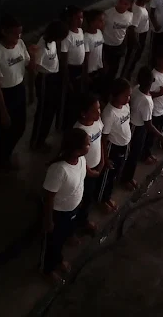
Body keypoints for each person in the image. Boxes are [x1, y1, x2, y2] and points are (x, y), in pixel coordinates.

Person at [41, 128, 90, 282]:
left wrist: (78, 201)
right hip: (58, 213)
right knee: (52, 242)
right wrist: (49, 220)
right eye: (87, 144)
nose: (90, 146)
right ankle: (47, 269)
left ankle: (58, 259)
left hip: (72, 210)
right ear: (76, 149)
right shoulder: (59, 170)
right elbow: (49, 197)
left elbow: (79, 182)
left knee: (61, 239)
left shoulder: (81, 160)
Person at [0, 15, 33, 171]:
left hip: (18, 89)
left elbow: (28, 65)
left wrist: (34, 56)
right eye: (14, 33)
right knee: (3, 131)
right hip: (3, 94)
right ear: (4, 32)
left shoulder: (20, 43)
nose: (18, 37)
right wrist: (3, 111)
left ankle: (6, 154)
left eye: (20, 33)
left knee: (19, 127)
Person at [122, 67, 163, 190]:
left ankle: (127, 176)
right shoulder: (147, 101)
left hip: (133, 124)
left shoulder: (137, 89)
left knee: (133, 153)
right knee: (133, 154)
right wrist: (161, 136)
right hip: (137, 128)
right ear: (152, 81)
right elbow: (149, 125)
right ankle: (127, 178)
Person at [30, 20, 69, 151]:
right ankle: (36, 142)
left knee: (50, 112)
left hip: (53, 78)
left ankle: (42, 139)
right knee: (43, 113)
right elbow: (35, 67)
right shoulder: (41, 45)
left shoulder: (52, 42)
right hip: (45, 80)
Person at [98, 78, 132, 213]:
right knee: (107, 175)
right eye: (125, 95)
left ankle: (108, 196)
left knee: (115, 173)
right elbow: (104, 137)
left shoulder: (126, 106)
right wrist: (105, 158)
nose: (128, 98)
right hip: (113, 148)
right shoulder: (109, 113)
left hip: (124, 145)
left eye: (129, 95)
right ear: (116, 95)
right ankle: (102, 199)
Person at [73, 93, 104, 234]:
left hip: (96, 166)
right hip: (84, 171)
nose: (99, 112)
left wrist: (102, 160)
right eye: (94, 110)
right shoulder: (79, 131)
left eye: (99, 108)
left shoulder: (97, 122)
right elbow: (77, 155)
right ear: (83, 113)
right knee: (80, 199)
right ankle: (75, 226)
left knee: (89, 197)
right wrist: (88, 171)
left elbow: (100, 140)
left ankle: (83, 221)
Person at [143, 45, 163, 161]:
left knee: (159, 129)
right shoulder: (154, 76)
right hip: (154, 111)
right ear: (158, 60)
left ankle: (160, 145)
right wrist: (160, 93)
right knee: (149, 135)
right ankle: (145, 154)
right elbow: (147, 94)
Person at [60, 5, 86, 130]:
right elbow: (64, 60)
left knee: (77, 96)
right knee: (68, 99)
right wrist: (67, 78)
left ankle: (74, 120)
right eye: (77, 18)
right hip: (70, 70)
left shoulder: (80, 31)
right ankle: (65, 125)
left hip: (80, 68)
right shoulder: (67, 36)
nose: (80, 20)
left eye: (81, 17)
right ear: (70, 19)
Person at [103, 0, 135, 82]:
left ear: (129, 5)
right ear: (117, 0)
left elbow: (126, 30)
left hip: (118, 46)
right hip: (106, 45)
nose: (122, 5)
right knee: (103, 68)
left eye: (125, 4)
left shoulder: (130, 15)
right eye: (120, 1)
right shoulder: (108, 13)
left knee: (114, 68)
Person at [123, 0, 152, 79]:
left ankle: (127, 75)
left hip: (141, 35)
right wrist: (136, 43)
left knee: (135, 58)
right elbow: (132, 28)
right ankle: (125, 77)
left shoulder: (140, 5)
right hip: (138, 37)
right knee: (131, 59)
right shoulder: (138, 11)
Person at [83, 9, 105, 95]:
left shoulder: (99, 32)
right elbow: (86, 57)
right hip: (90, 71)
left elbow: (101, 49)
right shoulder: (86, 37)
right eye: (100, 21)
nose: (103, 23)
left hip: (98, 68)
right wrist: (86, 74)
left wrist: (103, 63)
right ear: (92, 22)